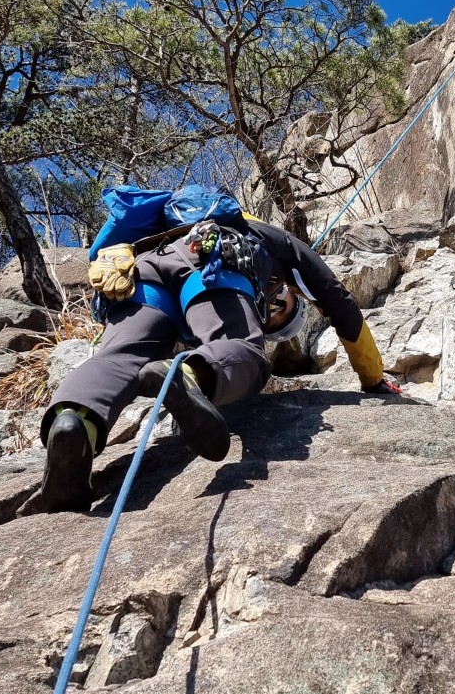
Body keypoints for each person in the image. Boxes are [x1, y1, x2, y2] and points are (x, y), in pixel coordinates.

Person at [22, 191, 398, 516]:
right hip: (211, 257)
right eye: (280, 305)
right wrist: (373, 376)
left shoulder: (175, 216)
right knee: (245, 353)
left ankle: (75, 423)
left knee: (120, 357)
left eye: (270, 322)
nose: (269, 310)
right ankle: (188, 375)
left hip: (140, 268)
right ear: (287, 291)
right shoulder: (268, 236)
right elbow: (337, 298)